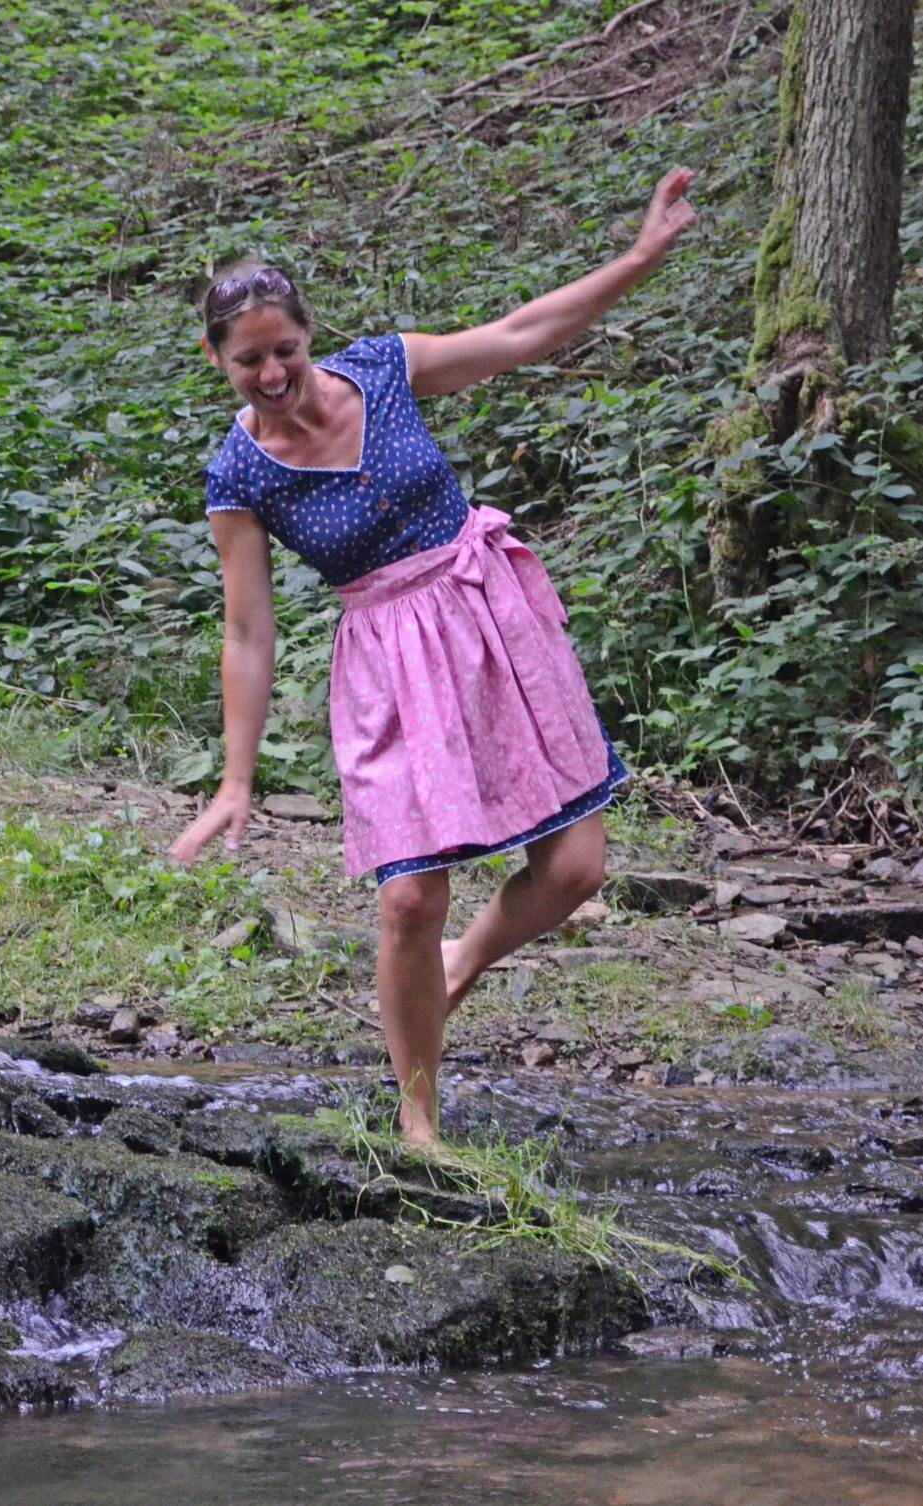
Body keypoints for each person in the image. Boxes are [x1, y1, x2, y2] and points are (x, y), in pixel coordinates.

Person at [169, 167, 699, 1146]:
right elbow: (247, 631)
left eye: (283, 349)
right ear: (216, 361)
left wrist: (632, 259)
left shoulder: (381, 368)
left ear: (307, 333)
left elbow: (516, 335)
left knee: (574, 869)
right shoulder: (236, 473)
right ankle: (419, 1122)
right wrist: (233, 783)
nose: (272, 374)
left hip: (491, 622)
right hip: (386, 661)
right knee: (409, 896)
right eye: (248, 362)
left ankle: (459, 967)